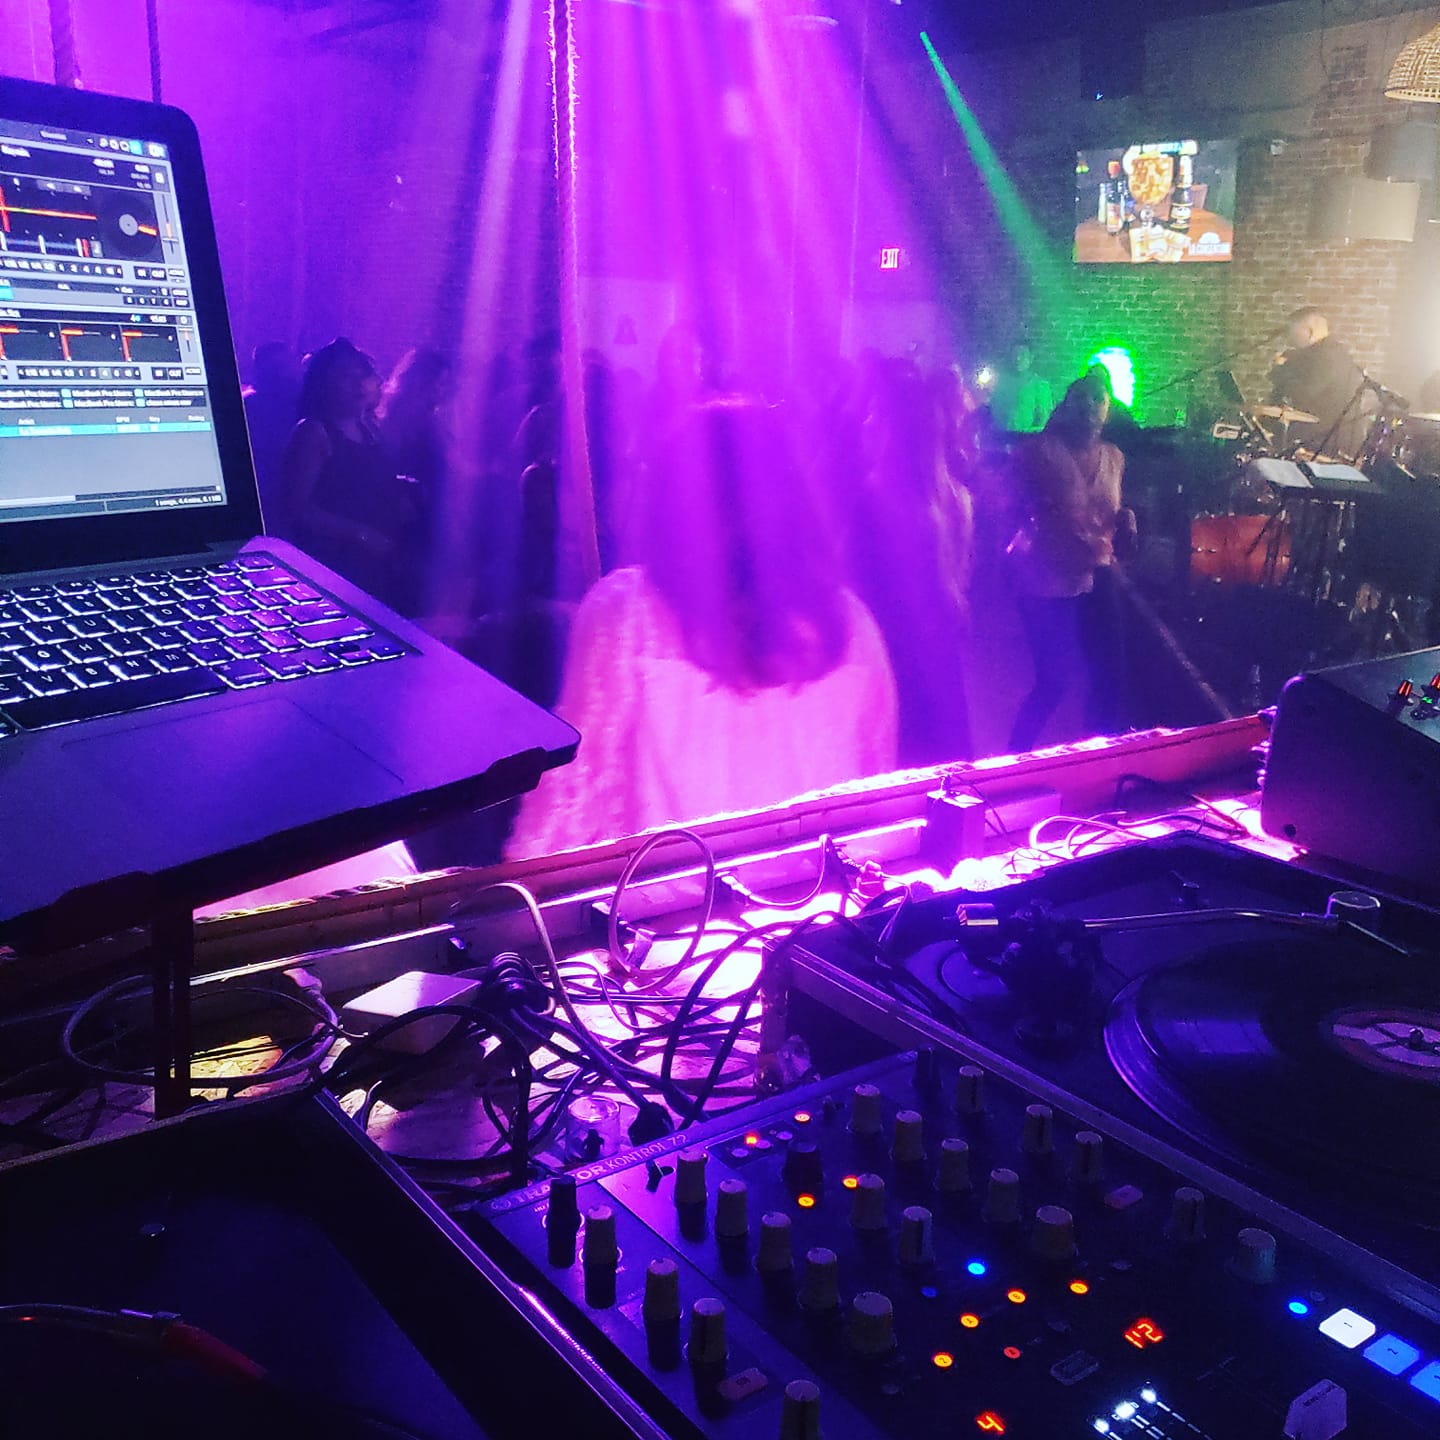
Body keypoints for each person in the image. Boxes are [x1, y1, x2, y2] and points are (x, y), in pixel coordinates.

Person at [506, 399, 898, 858]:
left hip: (665, 904)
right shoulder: (852, 625)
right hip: (818, 901)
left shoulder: (627, 616)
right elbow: (876, 814)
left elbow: (558, 828)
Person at [1006, 374, 1136, 752]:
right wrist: (1032, 510)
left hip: (1097, 571)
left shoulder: (1114, 457)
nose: (1090, 406)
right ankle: (1013, 759)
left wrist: (1126, 517)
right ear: (1067, 405)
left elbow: (1107, 508)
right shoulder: (1039, 452)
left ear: (1108, 409)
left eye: (1099, 399)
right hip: (1046, 575)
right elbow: (1005, 500)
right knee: (1054, 680)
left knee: (1111, 674)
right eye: (1082, 398)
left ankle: (1095, 757)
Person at [278, 338, 418, 609]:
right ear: (324, 384)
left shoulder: (369, 428)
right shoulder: (313, 433)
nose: (357, 384)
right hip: (334, 564)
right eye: (345, 376)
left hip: (375, 559)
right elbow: (296, 509)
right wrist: (359, 534)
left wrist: (401, 489)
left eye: (361, 375)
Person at [1268, 306, 1364, 457]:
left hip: (1325, 442)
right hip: (1320, 437)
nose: (1290, 338)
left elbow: (1304, 395)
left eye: (1294, 332)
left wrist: (1280, 370)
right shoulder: (1324, 353)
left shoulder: (1327, 357)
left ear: (1309, 331)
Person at [243, 341, 301, 523]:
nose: (284, 372)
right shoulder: (249, 404)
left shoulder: (301, 402)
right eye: (277, 367)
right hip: (264, 487)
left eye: (287, 365)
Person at [988, 344, 1053, 434]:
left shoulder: (1039, 385)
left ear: (1030, 358)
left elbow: (1043, 417)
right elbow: (993, 408)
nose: (1018, 359)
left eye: (1022, 355)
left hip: (1025, 437)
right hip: (999, 436)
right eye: (1015, 355)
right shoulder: (1000, 382)